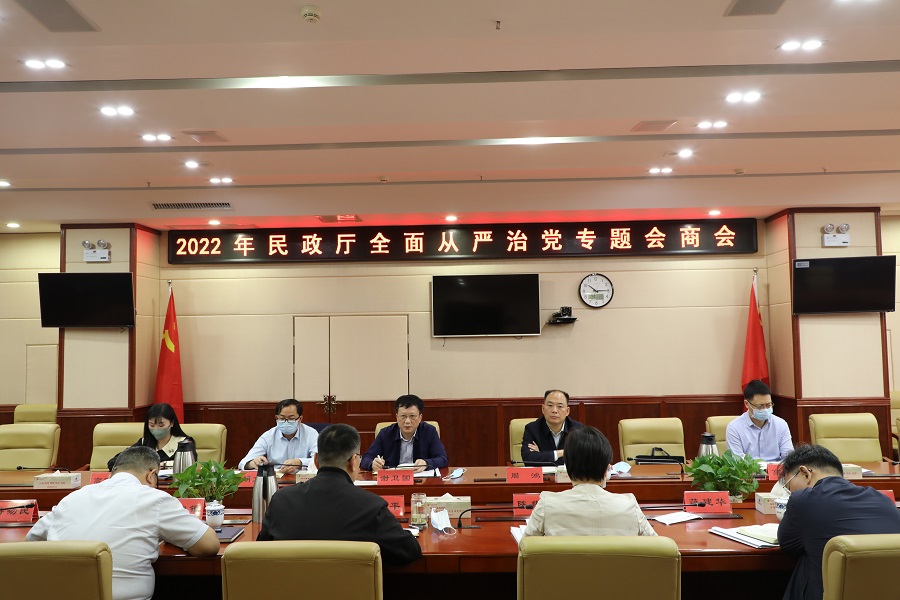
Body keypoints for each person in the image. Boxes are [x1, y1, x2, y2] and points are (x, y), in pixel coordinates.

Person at [27, 446, 220, 600]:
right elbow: (209, 545)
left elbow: (30, 543)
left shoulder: (72, 498)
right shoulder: (154, 499)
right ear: (151, 475)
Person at [257, 423, 422, 566]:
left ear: (315, 460)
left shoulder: (281, 500)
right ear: (353, 462)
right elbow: (410, 551)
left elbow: (261, 551)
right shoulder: (371, 506)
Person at [777, 444, 900, 600]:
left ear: (805, 473)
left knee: (806, 559)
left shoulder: (803, 500)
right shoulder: (884, 501)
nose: (790, 493)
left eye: (789, 486)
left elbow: (787, 545)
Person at [521, 426, 656, 540]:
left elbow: (526, 550)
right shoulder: (629, 505)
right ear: (607, 470)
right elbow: (657, 549)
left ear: (567, 469)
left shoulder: (547, 504)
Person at [360, 395, 448, 473]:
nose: (407, 421)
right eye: (403, 416)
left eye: (412, 416)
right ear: (397, 417)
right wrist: (372, 464)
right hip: (394, 480)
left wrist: (426, 463)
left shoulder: (429, 431)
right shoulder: (386, 433)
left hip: (420, 480)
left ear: (420, 417)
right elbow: (365, 459)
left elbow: (443, 459)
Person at [239, 399, 319, 475]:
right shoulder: (268, 436)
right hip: (275, 480)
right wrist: (252, 463)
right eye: (282, 418)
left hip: (302, 480)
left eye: (291, 418)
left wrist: (300, 462)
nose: (286, 422)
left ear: (300, 419)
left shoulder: (311, 434)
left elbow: (320, 461)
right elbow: (243, 463)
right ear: (276, 418)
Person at [107, 402, 196, 471]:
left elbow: (188, 467)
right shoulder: (144, 443)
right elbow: (114, 462)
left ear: (172, 423)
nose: (156, 429)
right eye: (152, 425)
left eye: (161, 425)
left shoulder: (185, 444)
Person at [726, 379, 793, 462]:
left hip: (776, 469)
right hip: (749, 470)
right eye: (760, 406)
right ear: (747, 404)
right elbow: (737, 461)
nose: (765, 409)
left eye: (768, 405)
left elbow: (789, 458)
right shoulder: (734, 428)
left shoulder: (781, 424)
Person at [521, 389, 583, 466]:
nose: (554, 411)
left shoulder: (578, 429)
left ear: (567, 411)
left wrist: (541, 455)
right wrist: (562, 453)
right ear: (543, 409)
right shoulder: (532, 429)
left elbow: (582, 459)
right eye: (550, 405)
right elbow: (528, 459)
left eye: (560, 406)